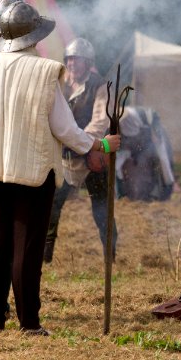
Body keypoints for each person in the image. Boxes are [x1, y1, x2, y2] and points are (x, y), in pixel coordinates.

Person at [0, 1, 120, 334]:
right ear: (34, 35)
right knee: (27, 249)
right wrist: (100, 145)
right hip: (32, 172)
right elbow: (64, 128)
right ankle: (29, 323)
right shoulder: (45, 71)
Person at [44, 38, 113, 263]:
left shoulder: (99, 85)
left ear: (88, 62)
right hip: (63, 159)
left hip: (91, 155)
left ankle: (110, 258)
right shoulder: (59, 82)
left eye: (77, 59)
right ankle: (45, 258)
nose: (72, 63)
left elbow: (100, 121)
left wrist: (82, 143)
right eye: (70, 59)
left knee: (102, 210)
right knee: (51, 209)